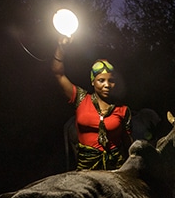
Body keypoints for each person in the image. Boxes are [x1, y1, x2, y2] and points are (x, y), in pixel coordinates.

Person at [52, 38, 133, 170]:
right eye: (101, 80)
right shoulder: (81, 98)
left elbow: (127, 142)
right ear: (92, 82)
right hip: (86, 169)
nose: (107, 85)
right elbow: (58, 74)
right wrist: (61, 48)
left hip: (115, 168)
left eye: (111, 81)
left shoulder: (123, 110)